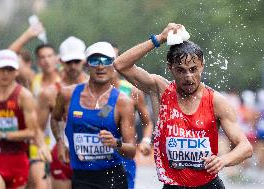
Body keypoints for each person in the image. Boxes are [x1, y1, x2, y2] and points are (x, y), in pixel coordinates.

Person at [113, 23, 253, 188]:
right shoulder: (160, 90)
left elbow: (246, 147)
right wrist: (159, 38)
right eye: (181, 70)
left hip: (208, 185)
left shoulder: (216, 101)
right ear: (170, 68)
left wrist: (223, 160)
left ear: (202, 66)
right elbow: (120, 64)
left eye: (194, 69)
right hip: (172, 185)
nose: (189, 77)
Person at [51, 42, 136, 189]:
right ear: (87, 65)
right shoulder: (67, 94)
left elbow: (131, 151)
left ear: (113, 65)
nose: (100, 66)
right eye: (95, 60)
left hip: (112, 178)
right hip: (81, 176)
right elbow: (55, 118)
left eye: (106, 61)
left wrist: (116, 143)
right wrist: (60, 142)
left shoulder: (123, 102)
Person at [0, 49, 49, 189]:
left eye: (10, 69)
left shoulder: (24, 96)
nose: (5, 74)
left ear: (16, 71)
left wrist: (2, 135)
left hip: (18, 159)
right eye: (2, 69)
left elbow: (32, 132)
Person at [9, 23, 61, 189]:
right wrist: (28, 35)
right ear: (37, 61)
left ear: (57, 58)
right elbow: (7, 56)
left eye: (49, 56)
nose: (46, 61)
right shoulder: (33, 79)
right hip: (36, 142)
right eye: (42, 57)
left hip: (61, 140)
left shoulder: (65, 80)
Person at [38, 36, 89, 189]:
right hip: (61, 153)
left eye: (76, 61)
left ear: (84, 61)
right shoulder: (49, 93)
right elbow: (39, 128)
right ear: (60, 62)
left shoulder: (96, 88)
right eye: (68, 62)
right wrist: (42, 146)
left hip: (91, 154)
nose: (73, 66)